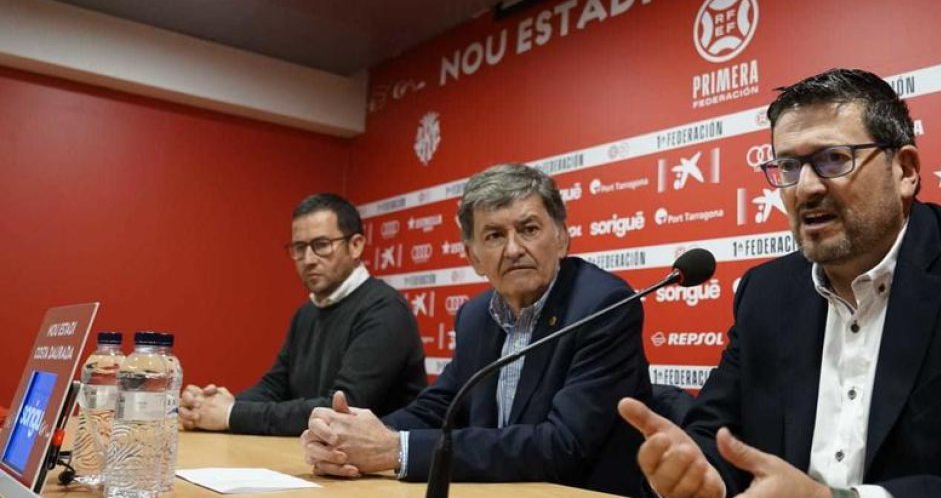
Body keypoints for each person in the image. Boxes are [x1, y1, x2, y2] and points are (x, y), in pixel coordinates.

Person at [619, 68, 941, 498]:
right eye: (789, 167)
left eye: (833, 160)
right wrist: (704, 469)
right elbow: (716, 433)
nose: (807, 188)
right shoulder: (767, 292)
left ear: (905, 170)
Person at [300, 164, 652, 495]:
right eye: (495, 235)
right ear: (473, 257)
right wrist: (349, 436)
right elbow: (439, 408)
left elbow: (562, 446)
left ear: (561, 237)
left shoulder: (603, 306)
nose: (514, 249)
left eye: (529, 229)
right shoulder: (476, 315)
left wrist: (395, 450)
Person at [179, 193, 427, 436]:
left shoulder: (386, 310)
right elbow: (275, 386)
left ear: (356, 245)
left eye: (321, 245)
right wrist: (210, 407)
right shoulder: (307, 312)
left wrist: (231, 414)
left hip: (377, 470)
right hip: (318, 457)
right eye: (299, 247)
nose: (308, 259)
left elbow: (341, 409)